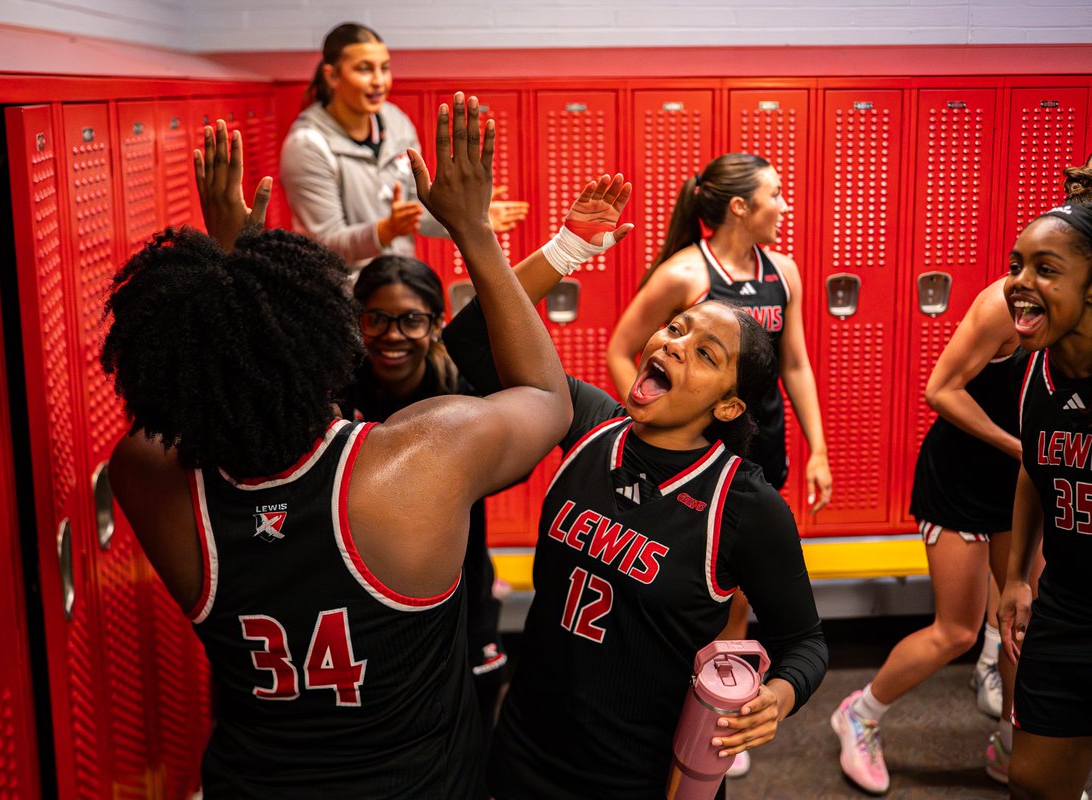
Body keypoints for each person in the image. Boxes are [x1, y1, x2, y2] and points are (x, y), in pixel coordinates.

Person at [102, 95, 569, 798]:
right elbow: (545, 397)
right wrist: (474, 231)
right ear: (330, 339)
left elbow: (186, 400)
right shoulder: (416, 459)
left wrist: (232, 283)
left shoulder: (147, 478)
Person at [443, 175, 828, 800]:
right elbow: (470, 340)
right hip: (524, 747)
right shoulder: (589, 423)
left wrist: (779, 696)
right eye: (677, 330)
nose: (674, 347)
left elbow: (803, 642)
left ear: (729, 408)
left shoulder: (743, 503)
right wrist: (566, 250)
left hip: (639, 775)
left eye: (705, 354)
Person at [605, 155, 832, 776]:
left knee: (740, 587)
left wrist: (819, 448)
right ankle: (672, 690)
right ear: (740, 206)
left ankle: (715, 702)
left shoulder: (783, 271)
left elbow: (795, 365)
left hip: (761, 448)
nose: (785, 207)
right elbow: (623, 349)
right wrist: (645, 423)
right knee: (689, 581)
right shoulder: (684, 272)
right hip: (692, 456)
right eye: (776, 195)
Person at [830, 277, 1028, 794]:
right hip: (960, 480)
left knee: (1021, 622)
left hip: (1023, 487)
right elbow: (940, 390)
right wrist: (1019, 448)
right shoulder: (1005, 304)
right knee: (957, 630)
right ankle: (859, 714)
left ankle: (1010, 743)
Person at [341, 254, 507, 737]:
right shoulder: (337, 386)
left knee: (475, 708)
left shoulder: (461, 390)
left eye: (411, 320)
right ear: (358, 321)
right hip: (361, 586)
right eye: (376, 319)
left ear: (436, 324)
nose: (392, 335)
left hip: (460, 585)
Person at [280, 22, 528, 270]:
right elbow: (324, 244)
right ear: (332, 76)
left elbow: (414, 209)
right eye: (364, 69)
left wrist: (465, 217)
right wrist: (385, 231)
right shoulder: (307, 145)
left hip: (398, 283)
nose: (379, 81)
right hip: (339, 294)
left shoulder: (396, 122)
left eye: (384, 68)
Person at [999, 199, 1092, 800]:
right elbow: (1034, 471)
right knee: (1032, 782)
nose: (1019, 283)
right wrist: (1015, 578)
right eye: (1017, 265)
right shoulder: (1036, 369)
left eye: (1045, 268)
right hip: (1067, 605)